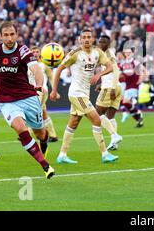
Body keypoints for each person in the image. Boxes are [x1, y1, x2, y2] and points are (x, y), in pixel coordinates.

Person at [0, 21, 54, 178]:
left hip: (28, 97)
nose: (9, 38)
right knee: (21, 129)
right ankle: (45, 166)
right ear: (0, 37)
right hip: (7, 101)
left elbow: (36, 69)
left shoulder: (23, 51)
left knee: (41, 134)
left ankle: (44, 143)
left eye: (12, 34)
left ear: (17, 35)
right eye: (5, 35)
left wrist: (39, 84)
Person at [50, 29, 118, 164]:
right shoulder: (74, 54)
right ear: (80, 39)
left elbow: (110, 67)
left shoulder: (97, 52)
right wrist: (54, 90)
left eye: (89, 37)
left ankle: (62, 155)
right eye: (84, 37)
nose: (86, 39)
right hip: (76, 94)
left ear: (93, 39)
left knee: (73, 123)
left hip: (84, 94)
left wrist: (99, 74)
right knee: (97, 120)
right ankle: (105, 154)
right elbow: (59, 69)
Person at [95, 35, 123, 151]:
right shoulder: (105, 54)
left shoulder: (108, 54)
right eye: (100, 42)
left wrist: (111, 88)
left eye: (103, 42)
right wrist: (101, 84)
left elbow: (116, 71)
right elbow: (109, 72)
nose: (100, 44)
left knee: (97, 113)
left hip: (110, 87)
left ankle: (114, 135)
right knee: (110, 116)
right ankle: (114, 143)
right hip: (116, 86)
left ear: (108, 44)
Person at [28, 46, 58, 142]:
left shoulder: (44, 65)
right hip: (31, 92)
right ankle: (53, 135)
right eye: (33, 51)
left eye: (37, 51)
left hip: (42, 91)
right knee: (43, 113)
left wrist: (54, 90)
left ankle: (27, 133)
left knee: (35, 112)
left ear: (40, 53)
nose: (35, 53)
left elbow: (51, 77)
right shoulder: (28, 65)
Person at [119, 47, 145, 128]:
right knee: (127, 104)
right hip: (127, 85)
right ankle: (139, 121)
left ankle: (138, 112)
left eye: (129, 52)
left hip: (134, 85)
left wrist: (141, 79)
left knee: (125, 102)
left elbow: (144, 70)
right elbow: (119, 74)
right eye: (126, 52)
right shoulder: (123, 64)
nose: (128, 54)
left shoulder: (135, 62)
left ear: (132, 53)